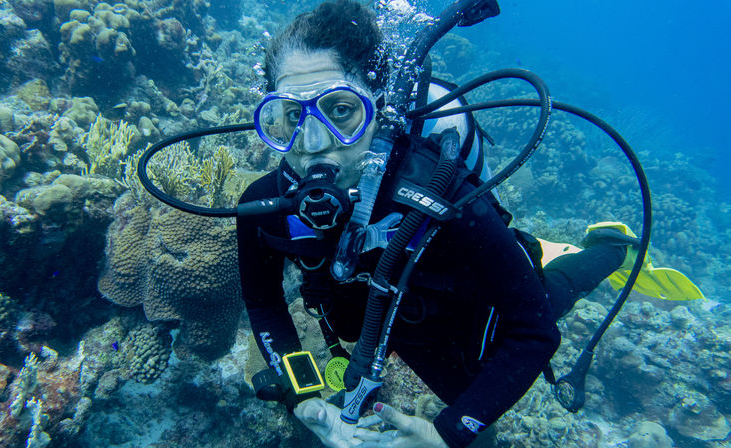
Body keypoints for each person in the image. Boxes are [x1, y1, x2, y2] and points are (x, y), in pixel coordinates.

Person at [235, 1, 698, 447]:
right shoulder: (264, 205)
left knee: (540, 307)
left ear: (378, 105)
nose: (314, 143)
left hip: (452, 304)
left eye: (340, 110)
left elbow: (535, 332)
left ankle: (609, 247)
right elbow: (262, 299)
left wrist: (448, 434)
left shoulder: (444, 194)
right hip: (382, 314)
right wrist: (302, 395)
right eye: (291, 116)